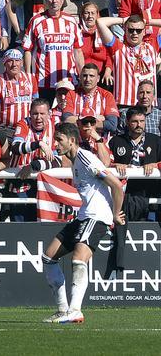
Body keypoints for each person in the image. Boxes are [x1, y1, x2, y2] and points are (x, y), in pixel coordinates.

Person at [40, 122, 124, 324]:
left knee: (78, 259)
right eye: (55, 140)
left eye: (59, 140)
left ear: (72, 141)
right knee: (48, 257)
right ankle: (62, 310)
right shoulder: (74, 161)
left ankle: (75, 310)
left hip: (97, 216)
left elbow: (117, 185)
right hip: (83, 216)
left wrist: (115, 214)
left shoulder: (85, 158)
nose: (56, 144)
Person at [109, 106, 161, 222]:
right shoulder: (116, 141)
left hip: (149, 191)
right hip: (124, 193)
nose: (139, 124)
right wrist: (115, 165)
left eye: (142, 121)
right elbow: (105, 164)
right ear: (127, 122)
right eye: (135, 121)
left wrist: (155, 165)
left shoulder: (156, 140)